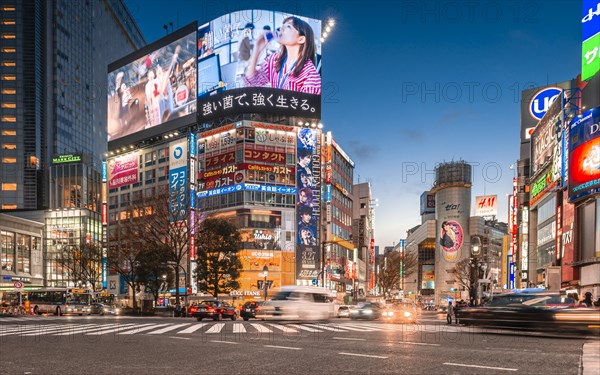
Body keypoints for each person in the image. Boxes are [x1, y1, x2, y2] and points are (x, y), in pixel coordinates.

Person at [245, 16, 321, 94]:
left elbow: (308, 105)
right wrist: (257, 50)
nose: (281, 29)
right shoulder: (274, 60)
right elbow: (252, 82)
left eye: (288, 26)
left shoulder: (310, 75)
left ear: (301, 39)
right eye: (282, 25)